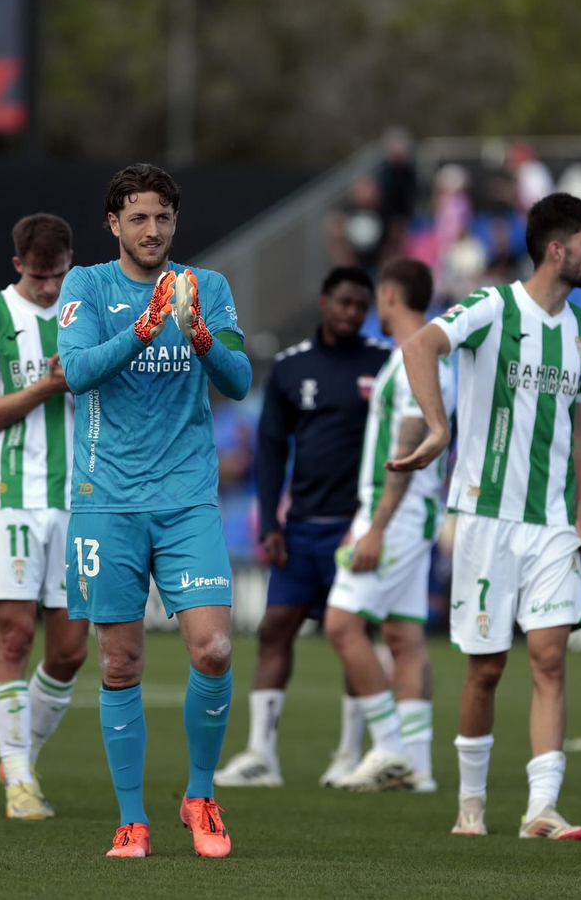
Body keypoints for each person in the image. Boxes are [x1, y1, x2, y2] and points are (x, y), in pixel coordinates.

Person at [390, 192, 581, 841]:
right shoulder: (493, 306)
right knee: (486, 667)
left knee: (550, 658)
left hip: (550, 525)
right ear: (557, 248)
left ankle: (541, 808)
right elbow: (420, 346)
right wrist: (437, 424)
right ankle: (471, 808)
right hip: (485, 516)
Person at [57, 163, 251, 859]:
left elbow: (239, 377)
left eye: (163, 217)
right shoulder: (87, 286)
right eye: (138, 218)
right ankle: (131, 819)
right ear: (114, 224)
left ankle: (199, 795)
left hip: (187, 499)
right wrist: (143, 330)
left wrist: (197, 334)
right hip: (107, 502)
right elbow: (74, 373)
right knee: (120, 660)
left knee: (214, 647)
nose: (152, 230)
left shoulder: (209, 287)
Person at [216, 266, 391, 788]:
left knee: (354, 637)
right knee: (275, 630)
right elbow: (270, 448)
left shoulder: (384, 364)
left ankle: (348, 754)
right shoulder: (293, 368)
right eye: (344, 303)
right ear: (323, 302)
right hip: (302, 528)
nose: (352, 314)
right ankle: (261, 754)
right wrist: (271, 521)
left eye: (361, 306)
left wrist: (374, 523)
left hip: (354, 529)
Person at [0, 213, 88, 819]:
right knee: (14, 636)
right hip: (12, 496)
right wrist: (49, 385)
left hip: (82, 499)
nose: (48, 288)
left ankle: (21, 758)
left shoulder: (89, 310)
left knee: (69, 652)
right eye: (38, 277)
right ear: (18, 267)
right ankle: (18, 778)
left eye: (57, 275)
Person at [326, 258, 452, 793]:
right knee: (403, 635)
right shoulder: (430, 360)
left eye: (379, 295)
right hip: (415, 513)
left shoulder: (412, 362)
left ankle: (388, 748)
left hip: (395, 512)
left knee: (341, 624)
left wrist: (374, 527)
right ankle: (418, 766)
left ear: (392, 294)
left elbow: (405, 449)